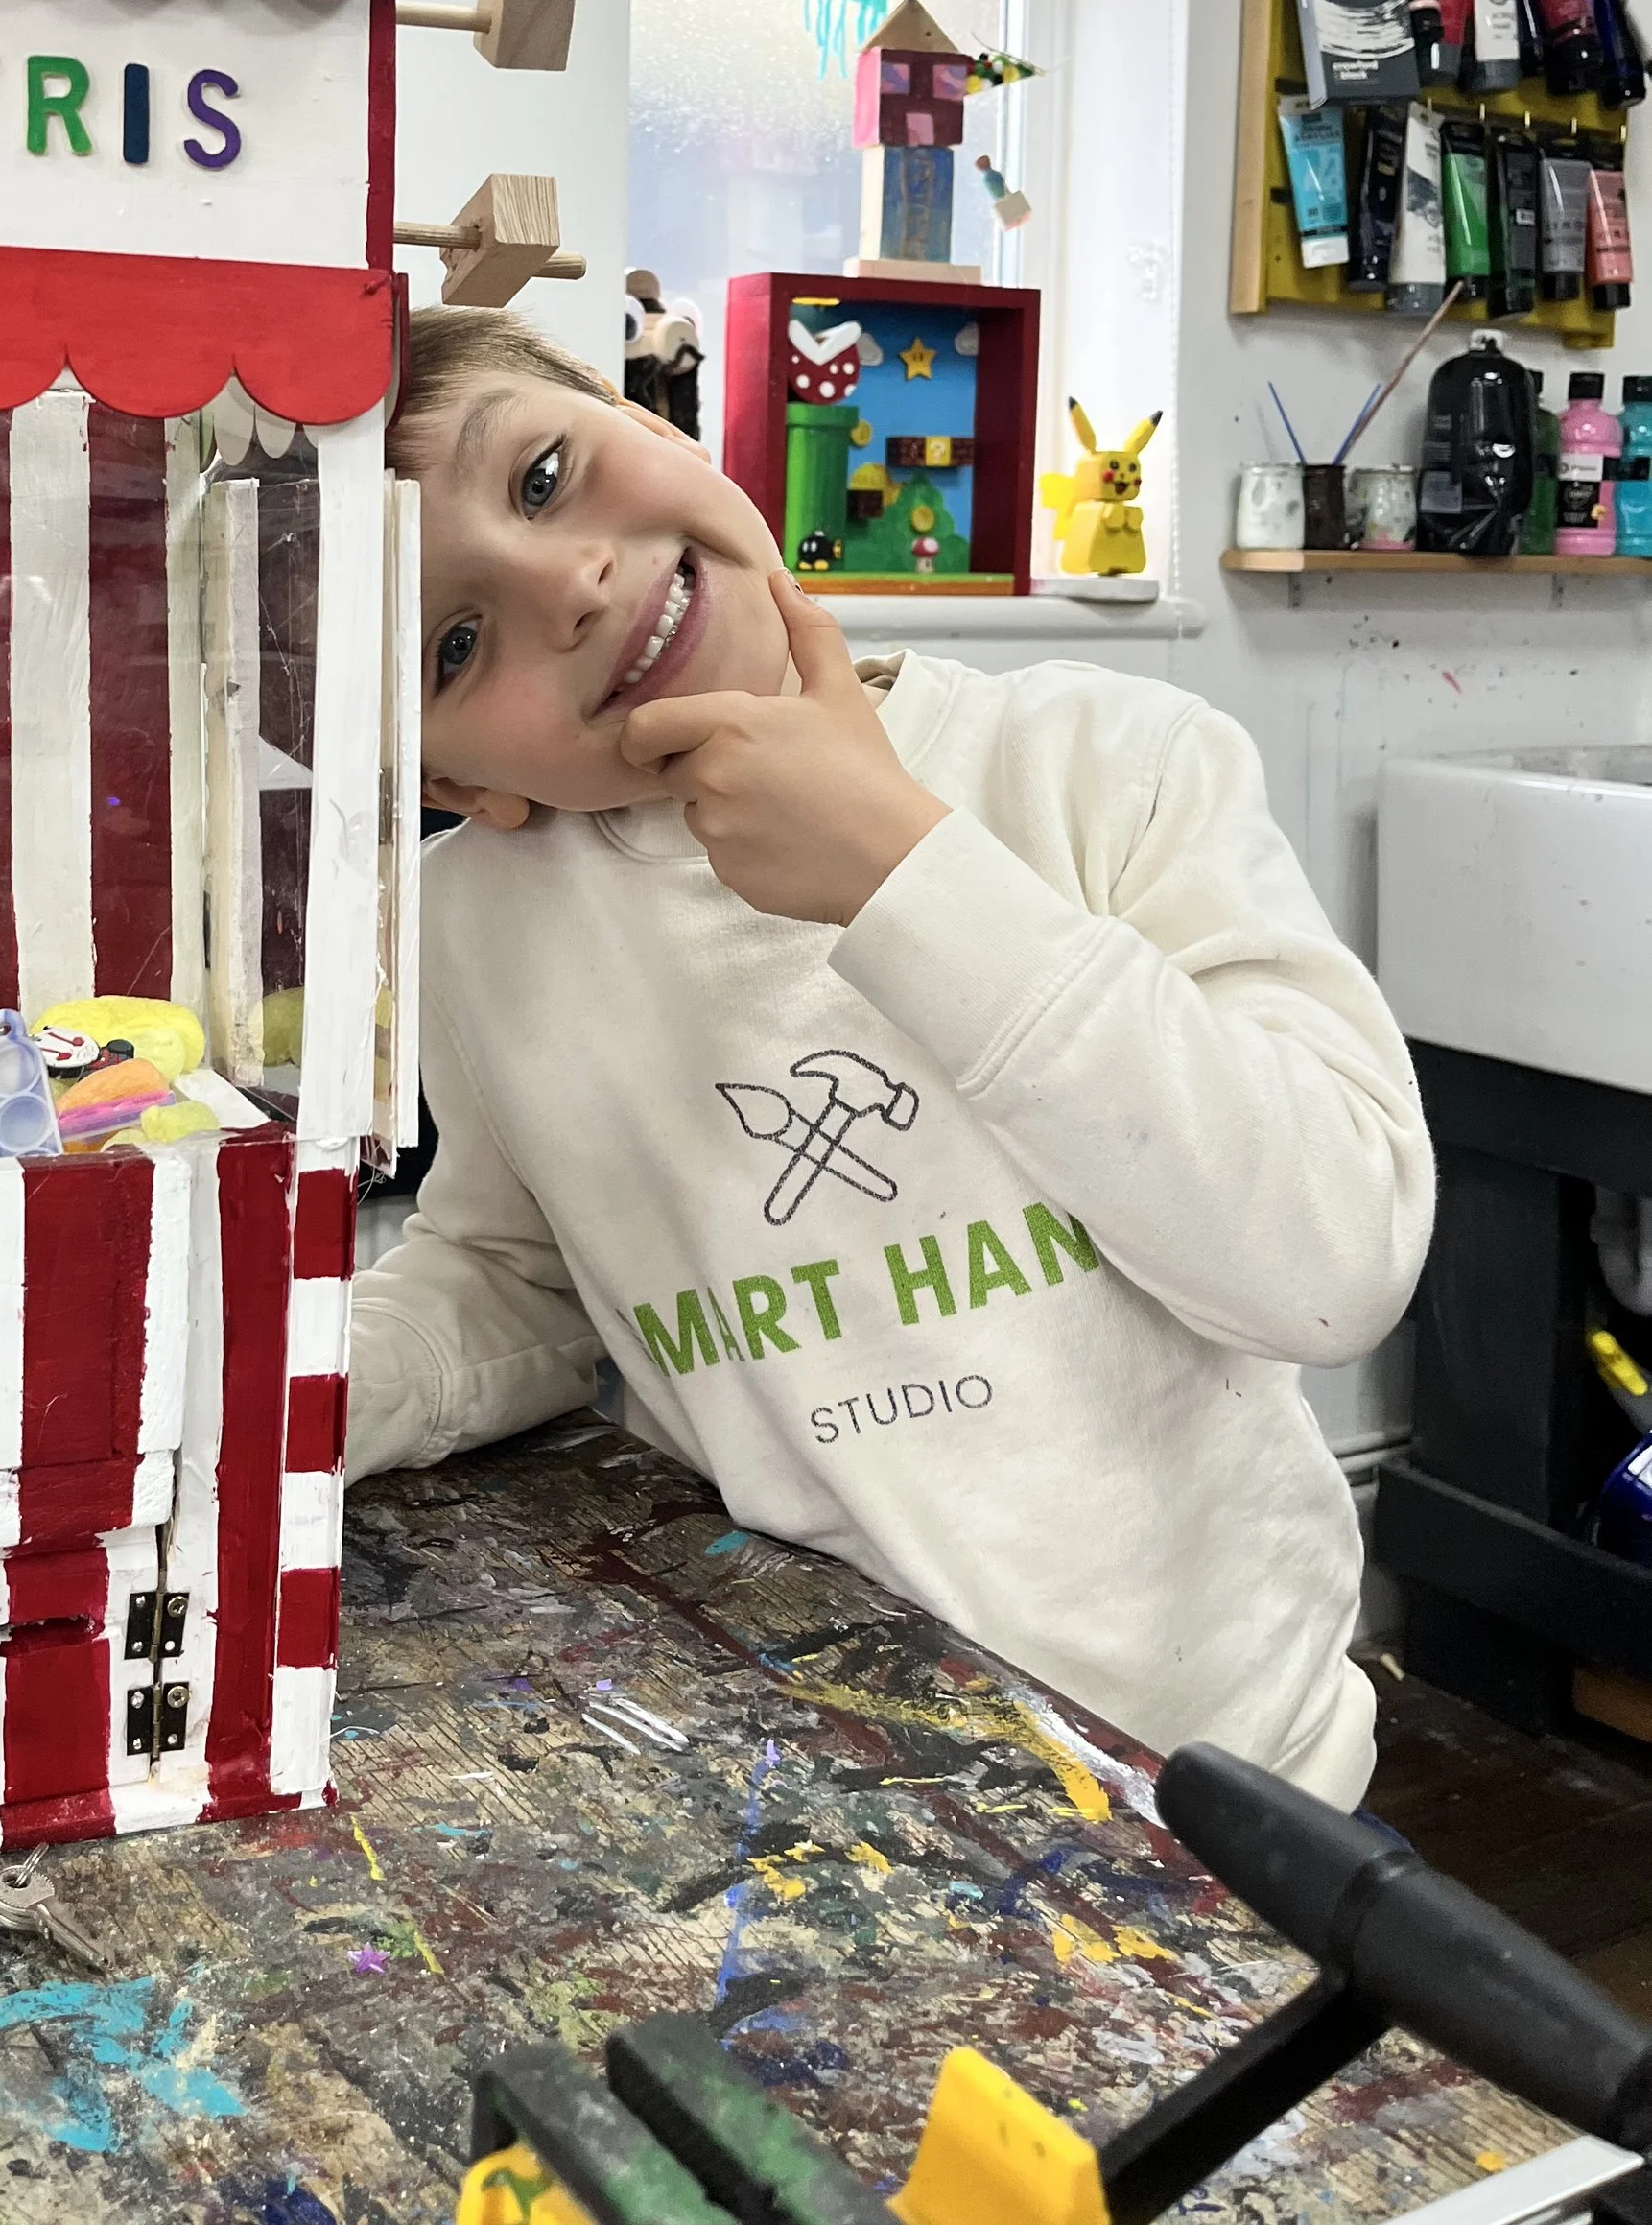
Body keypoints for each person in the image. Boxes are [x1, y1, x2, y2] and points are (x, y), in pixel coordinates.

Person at [349, 307, 1432, 1807]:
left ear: (643, 416)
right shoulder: (479, 925)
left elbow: (1338, 1252)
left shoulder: (1109, 763)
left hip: (1237, 1783)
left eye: (541, 476)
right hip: (822, 1778)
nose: (573, 582)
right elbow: (524, 1274)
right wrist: (309, 1391)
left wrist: (903, 873)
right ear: (456, 779)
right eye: (458, 645)